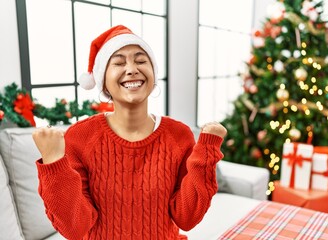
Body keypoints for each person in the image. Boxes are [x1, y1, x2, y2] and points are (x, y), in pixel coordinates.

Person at [32, 25, 227, 240]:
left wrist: (207, 150)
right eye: (118, 62)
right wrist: (53, 164)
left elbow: (187, 218)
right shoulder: (80, 137)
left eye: (141, 61)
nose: (132, 69)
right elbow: (74, 228)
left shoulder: (179, 135)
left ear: (153, 75)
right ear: (103, 80)